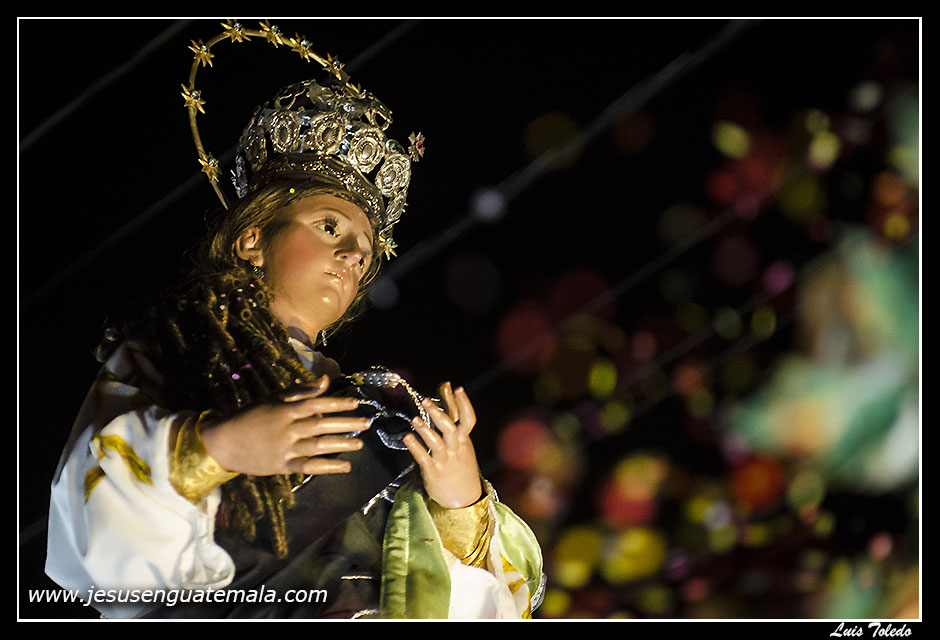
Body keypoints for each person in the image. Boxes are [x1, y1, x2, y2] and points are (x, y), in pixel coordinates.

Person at [45, 21, 543, 619]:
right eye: (330, 227)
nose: (354, 255)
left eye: (366, 251)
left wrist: (461, 506)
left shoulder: (386, 412)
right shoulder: (179, 350)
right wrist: (220, 447)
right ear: (253, 239)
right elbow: (96, 520)